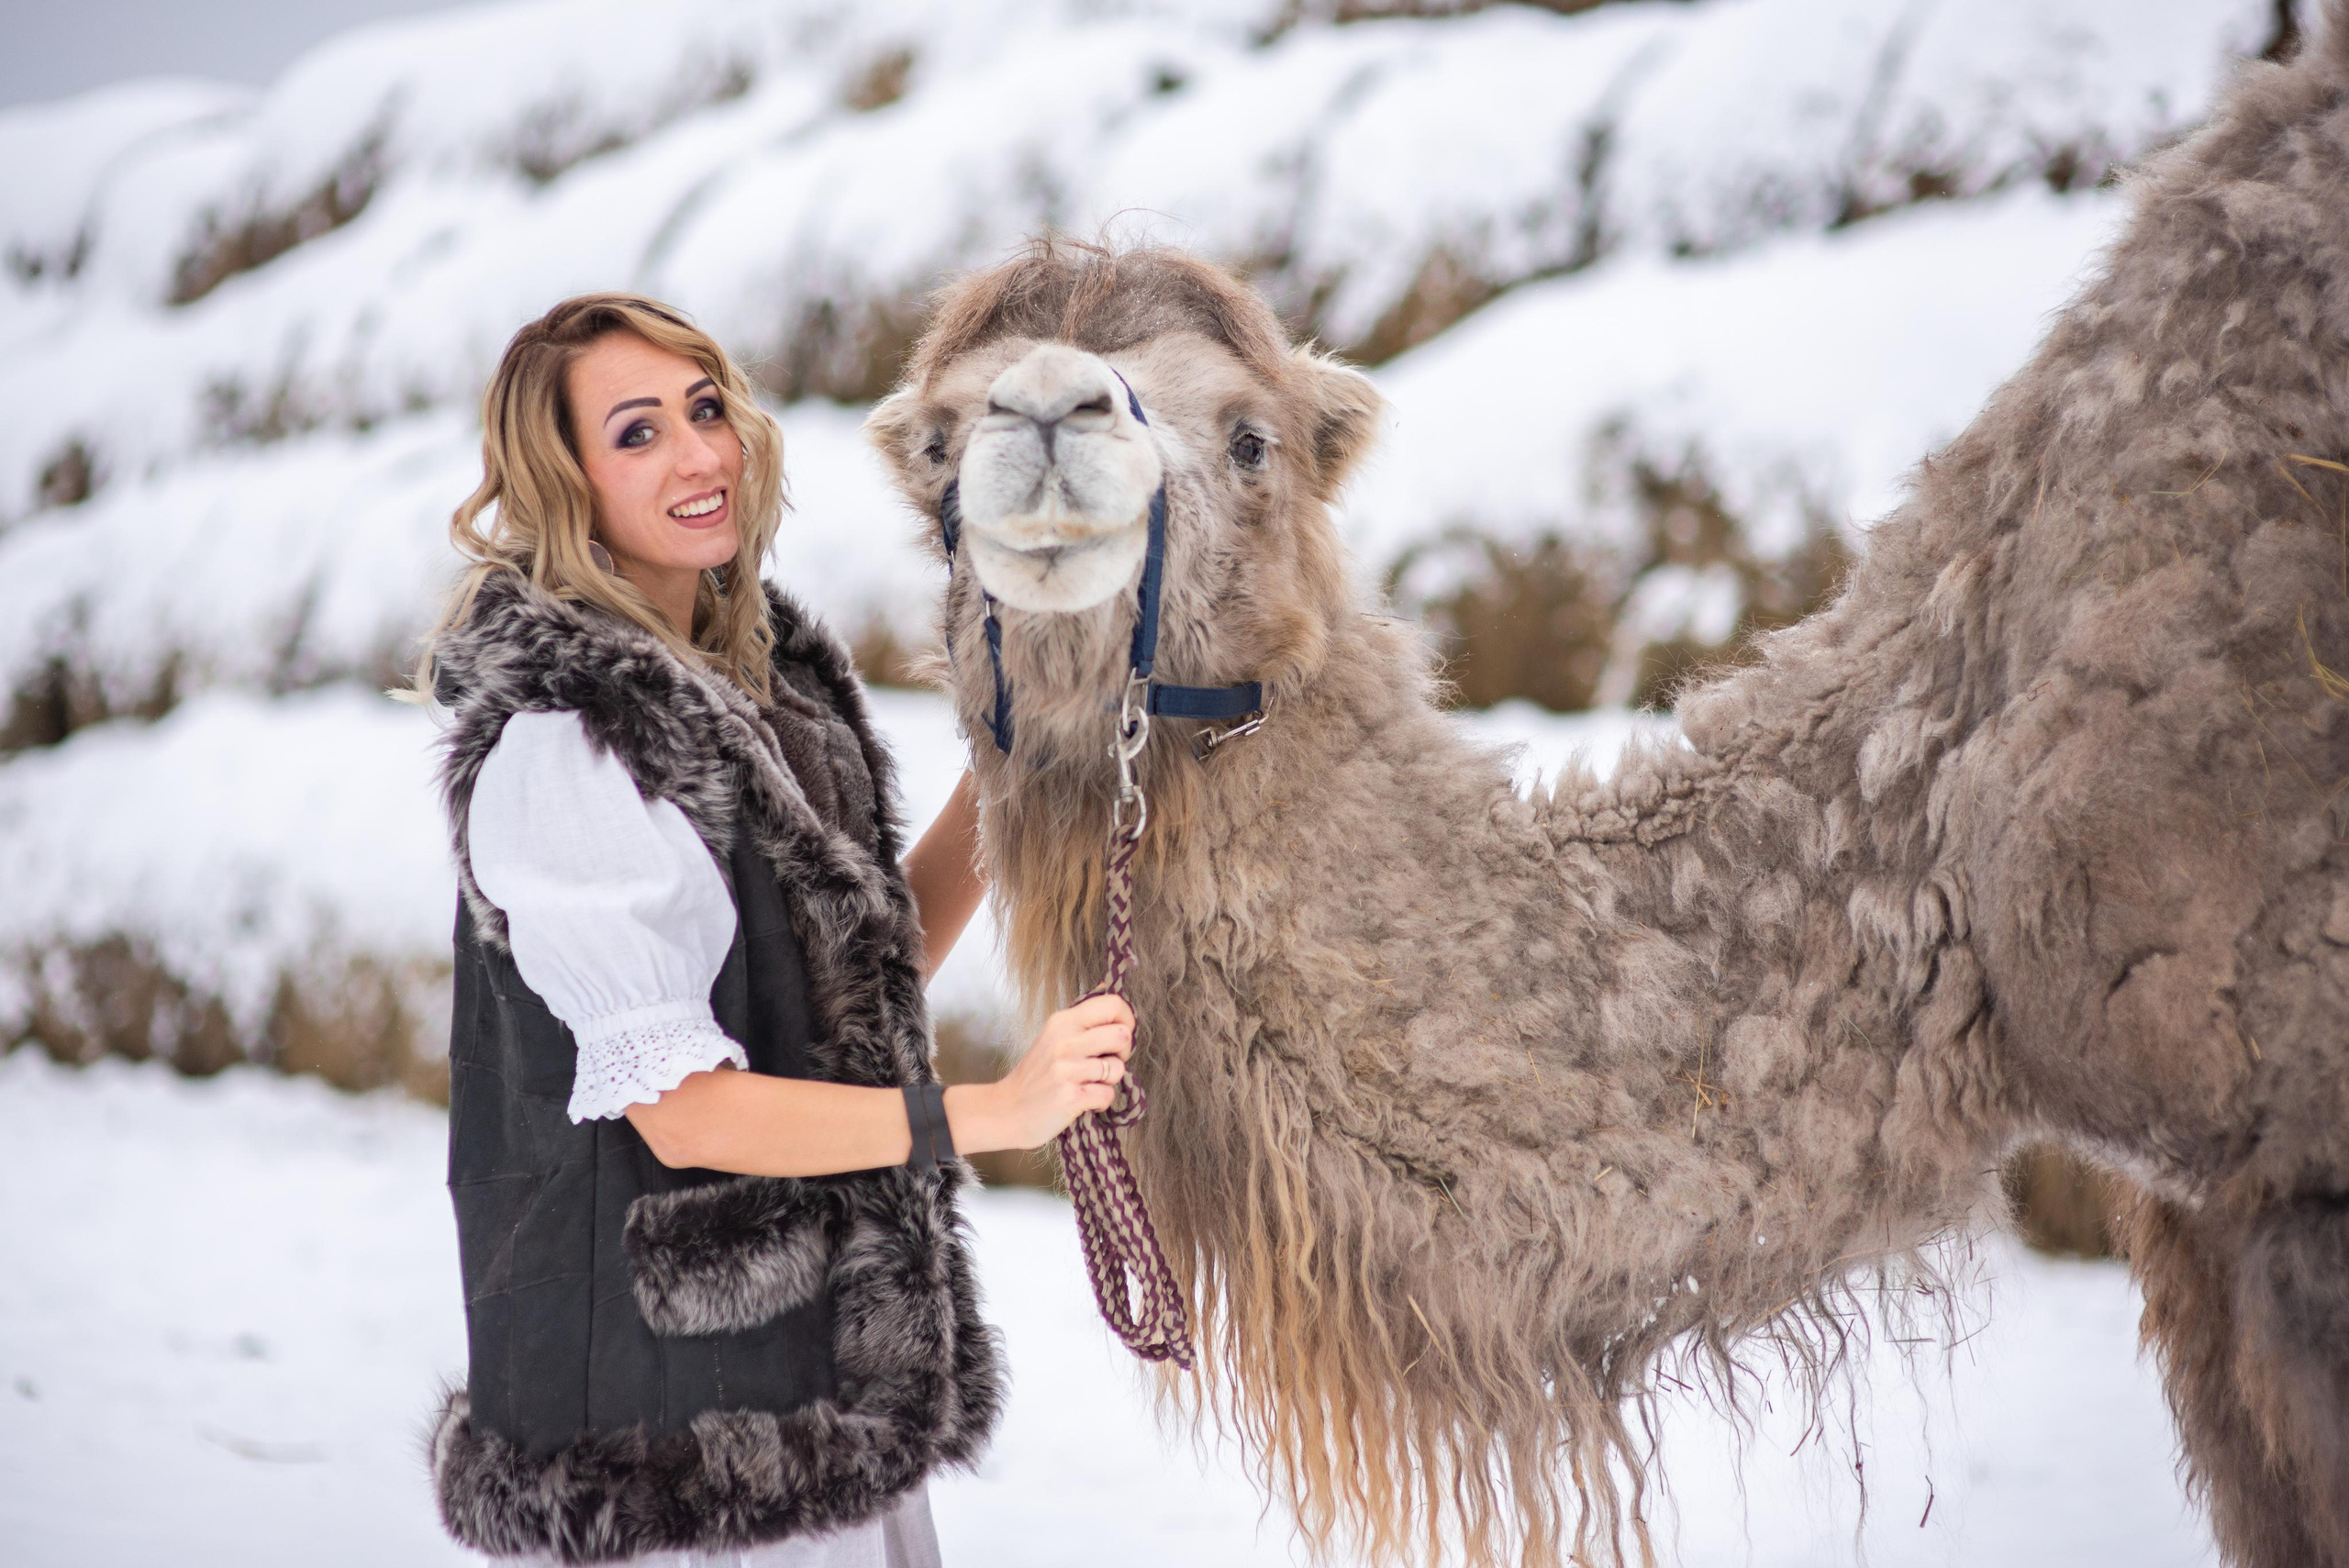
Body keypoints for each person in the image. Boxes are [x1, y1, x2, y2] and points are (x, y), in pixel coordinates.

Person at [415, 294, 1134, 1566]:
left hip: (817, 1385)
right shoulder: (566, 744)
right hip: (670, 1440)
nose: (700, 454)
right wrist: (983, 1112)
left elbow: (843, 982)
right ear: (566, 483)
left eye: (706, 408)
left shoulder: (763, 689)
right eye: (637, 433)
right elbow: (685, 1107)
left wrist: (1015, 768)